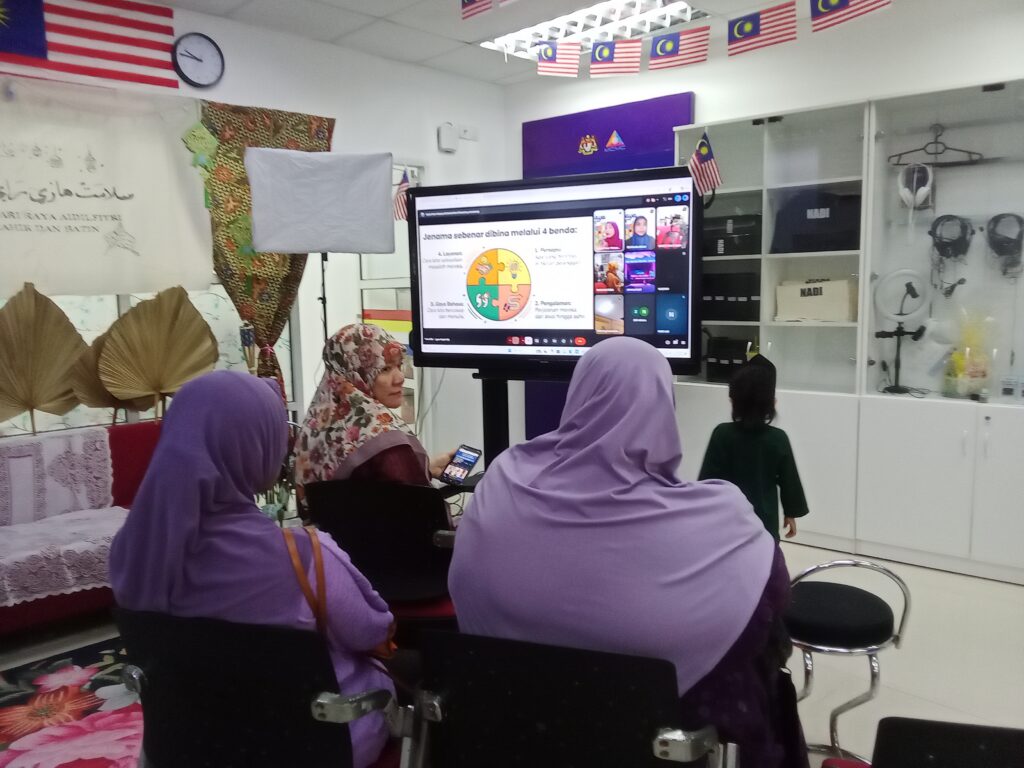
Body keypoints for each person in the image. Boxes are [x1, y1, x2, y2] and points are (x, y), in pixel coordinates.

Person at [449, 338, 808, 768]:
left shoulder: (502, 481)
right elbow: (772, 607)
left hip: (510, 734)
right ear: (663, 407)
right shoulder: (723, 521)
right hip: (659, 745)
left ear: (578, 396)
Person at [109, 371, 395, 768]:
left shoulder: (133, 552)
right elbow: (373, 632)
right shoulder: (304, 558)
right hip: (311, 748)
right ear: (255, 447)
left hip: (190, 746)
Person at [292, 324, 453, 493]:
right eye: (385, 369)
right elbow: (418, 504)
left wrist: (427, 469)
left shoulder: (313, 428)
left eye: (399, 366)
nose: (400, 378)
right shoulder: (385, 443)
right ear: (355, 373)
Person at [699, 355, 809, 540]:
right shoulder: (778, 438)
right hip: (764, 523)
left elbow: (708, 480)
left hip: (726, 520)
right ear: (772, 403)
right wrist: (791, 512)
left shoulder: (721, 434)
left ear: (733, 401)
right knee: (765, 554)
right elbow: (789, 480)